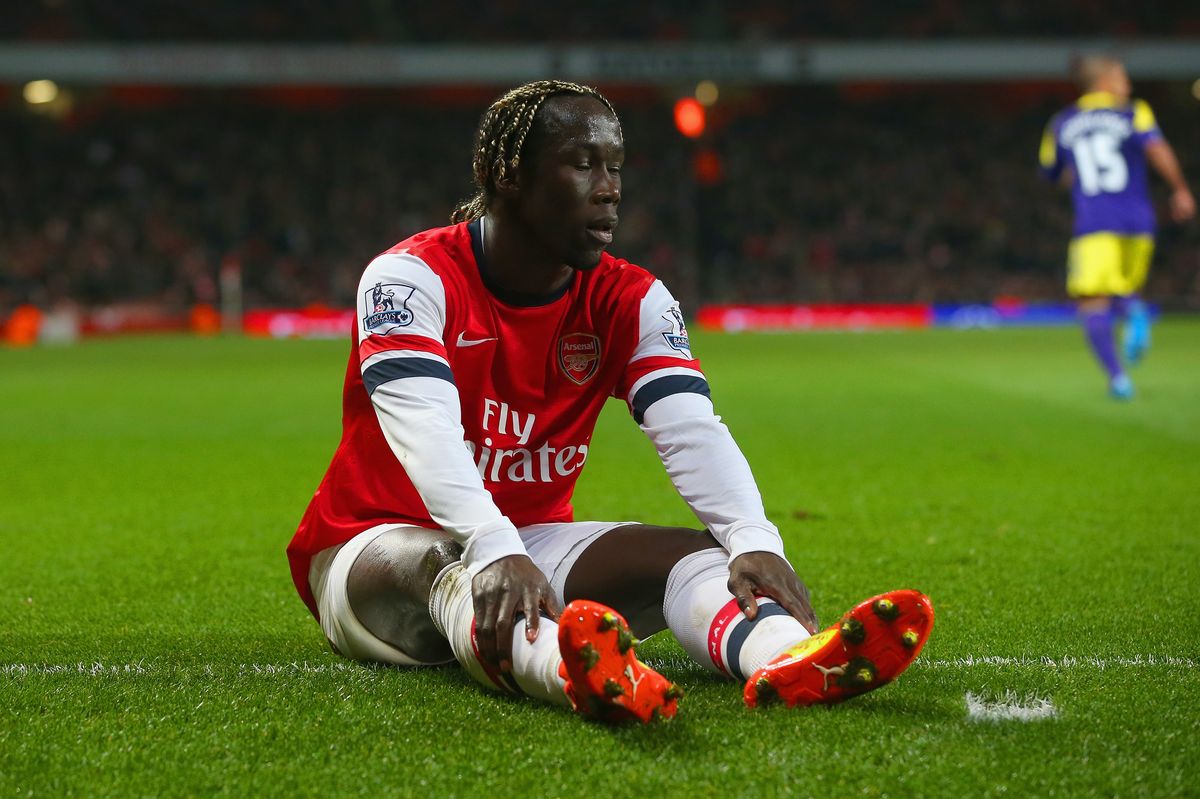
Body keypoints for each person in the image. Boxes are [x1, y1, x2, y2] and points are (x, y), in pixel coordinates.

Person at [286, 80, 932, 722]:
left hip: (527, 541)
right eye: (582, 163)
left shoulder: (632, 299)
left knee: (706, 555)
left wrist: (752, 537)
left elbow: (691, 429)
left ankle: (788, 657)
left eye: (615, 167)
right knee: (446, 563)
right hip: (373, 549)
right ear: (507, 174)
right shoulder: (410, 279)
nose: (609, 188)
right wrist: (489, 543)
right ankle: (569, 671)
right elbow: (425, 428)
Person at [1039, 56, 1195, 399]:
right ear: (1104, 81)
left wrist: (1081, 180)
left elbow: (1052, 172)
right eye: (1123, 78)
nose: (1129, 84)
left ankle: (1118, 378)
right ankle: (1131, 306)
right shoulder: (1134, 112)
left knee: (1092, 301)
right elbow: (1157, 149)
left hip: (1095, 222)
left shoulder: (1062, 122)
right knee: (1121, 286)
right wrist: (1180, 189)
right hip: (1140, 222)